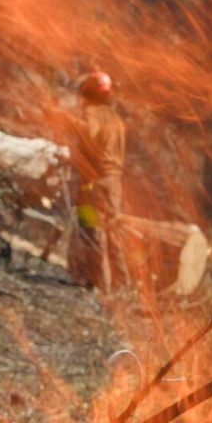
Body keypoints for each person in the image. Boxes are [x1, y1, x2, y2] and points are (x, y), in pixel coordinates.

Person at [63, 71, 127, 289]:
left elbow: (88, 134)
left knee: (91, 229)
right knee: (114, 231)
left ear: (86, 92)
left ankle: (97, 284)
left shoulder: (92, 113)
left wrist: (65, 120)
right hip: (113, 183)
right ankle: (121, 285)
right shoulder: (115, 118)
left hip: (93, 183)